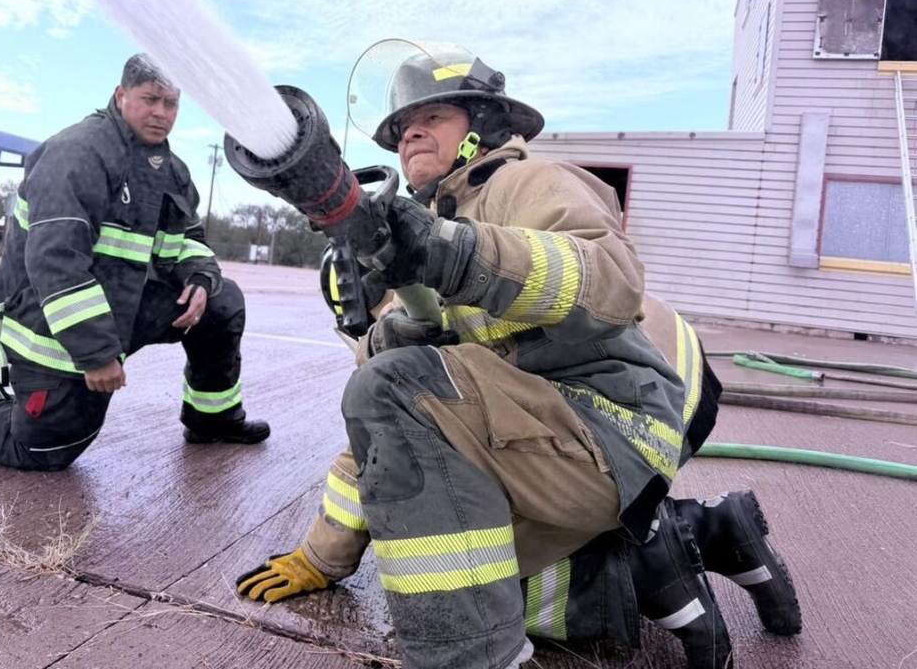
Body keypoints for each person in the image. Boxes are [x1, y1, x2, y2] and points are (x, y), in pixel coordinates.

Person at [236, 41, 799, 669]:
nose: (411, 134)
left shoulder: (528, 183)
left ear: (483, 127)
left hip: (613, 424)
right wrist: (322, 555)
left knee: (457, 586)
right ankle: (693, 535)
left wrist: (457, 255)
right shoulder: (417, 238)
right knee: (470, 578)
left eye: (435, 117)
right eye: (400, 130)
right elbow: (383, 432)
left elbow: (613, 280)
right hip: (543, 440)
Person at [0, 54, 269, 471]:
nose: (161, 113)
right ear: (121, 95)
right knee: (45, 450)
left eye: (170, 103)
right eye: (150, 99)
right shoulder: (77, 153)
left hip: (120, 308)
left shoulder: (172, 171)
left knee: (221, 300)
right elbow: (56, 261)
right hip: (49, 322)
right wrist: (98, 354)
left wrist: (199, 276)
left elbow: (188, 239)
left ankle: (212, 420)